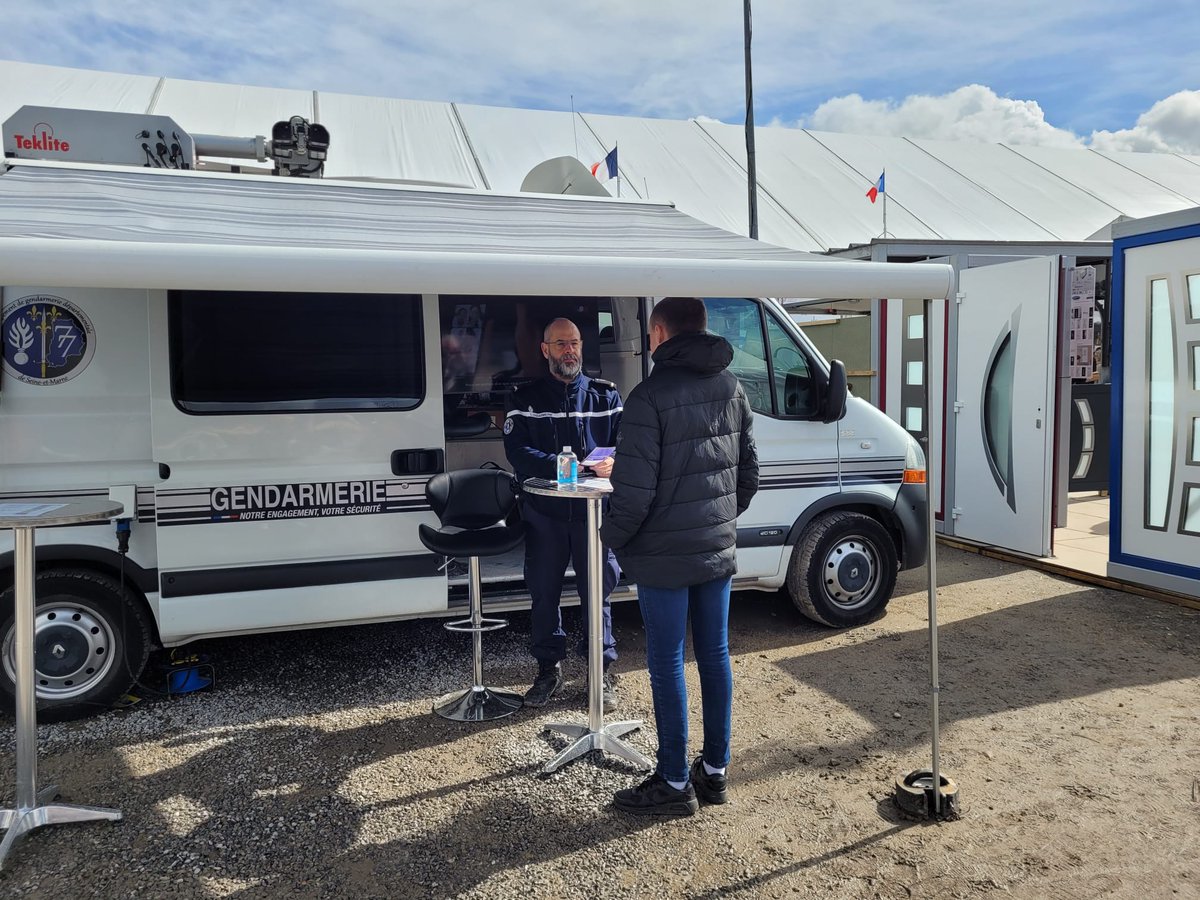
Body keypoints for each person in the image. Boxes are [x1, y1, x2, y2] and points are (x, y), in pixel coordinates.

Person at [601, 297, 758, 817]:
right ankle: (713, 774)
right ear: (704, 329)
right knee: (714, 656)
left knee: (667, 661)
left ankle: (672, 782)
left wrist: (613, 538)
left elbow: (633, 491)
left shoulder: (647, 397)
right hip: (715, 549)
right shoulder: (732, 387)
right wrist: (716, 522)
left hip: (663, 555)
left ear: (660, 333)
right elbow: (748, 472)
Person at [503, 317, 623, 711]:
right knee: (544, 594)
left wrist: (613, 461)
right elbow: (518, 453)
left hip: (595, 518)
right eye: (560, 345)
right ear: (544, 350)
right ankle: (547, 669)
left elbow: (629, 444)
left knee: (598, 595)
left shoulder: (606, 396)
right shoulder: (524, 398)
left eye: (574, 343)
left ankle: (599, 673)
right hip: (545, 515)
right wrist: (566, 465)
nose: (569, 351)